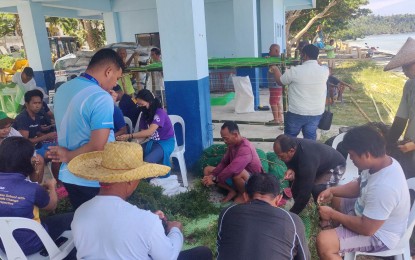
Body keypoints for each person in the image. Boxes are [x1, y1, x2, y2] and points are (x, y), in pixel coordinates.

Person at [69, 141, 212, 259]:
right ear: (130, 181)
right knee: (202, 253)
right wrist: (175, 230)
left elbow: (115, 229)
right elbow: (168, 257)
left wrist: (151, 221)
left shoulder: (80, 213)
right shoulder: (147, 222)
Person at [316, 124, 410, 259]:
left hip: (380, 235)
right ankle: (339, 234)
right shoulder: (380, 163)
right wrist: (332, 190)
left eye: (352, 155)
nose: (351, 159)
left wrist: (332, 214)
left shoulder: (384, 187)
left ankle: (336, 241)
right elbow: (360, 184)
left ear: (367, 154)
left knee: (324, 242)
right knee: (336, 196)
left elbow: (367, 229)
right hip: (366, 213)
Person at [48, 48, 124, 210]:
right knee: (102, 227)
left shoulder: (62, 90)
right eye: (117, 78)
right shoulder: (100, 97)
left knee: (84, 222)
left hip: (69, 175)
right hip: (94, 177)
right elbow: (98, 146)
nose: (116, 84)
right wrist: (68, 155)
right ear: (108, 71)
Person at [0, 137, 74, 256]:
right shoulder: (32, 189)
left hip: (4, 244)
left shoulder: (32, 189)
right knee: (75, 217)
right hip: (31, 244)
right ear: (26, 161)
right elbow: (51, 207)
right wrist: (52, 187)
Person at [217, 173, 310, 259]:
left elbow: (221, 246)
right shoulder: (293, 221)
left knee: (204, 252)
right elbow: (304, 258)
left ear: (245, 197)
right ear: (279, 199)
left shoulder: (227, 212)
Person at [274, 134, 346, 214]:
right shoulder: (290, 144)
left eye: (281, 156)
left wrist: (292, 214)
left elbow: (305, 192)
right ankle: (299, 205)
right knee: (296, 183)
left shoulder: (307, 160)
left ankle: (323, 214)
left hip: (335, 166)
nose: (279, 159)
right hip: (318, 164)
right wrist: (291, 169)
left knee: (316, 189)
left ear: (291, 151)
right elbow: (292, 162)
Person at [270, 44, 329, 140]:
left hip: (297, 112)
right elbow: (323, 66)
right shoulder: (324, 71)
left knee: (289, 140)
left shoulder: (295, 71)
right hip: (316, 112)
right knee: (310, 140)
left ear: (304, 55)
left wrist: (276, 69)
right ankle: (309, 154)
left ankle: (291, 154)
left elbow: (280, 81)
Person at [202, 121, 263, 203]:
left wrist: (215, 179)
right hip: (237, 176)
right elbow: (224, 163)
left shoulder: (246, 148)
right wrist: (213, 175)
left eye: (226, 138)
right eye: (223, 138)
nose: (224, 141)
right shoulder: (232, 145)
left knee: (238, 174)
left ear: (235, 135)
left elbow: (233, 169)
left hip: (253, 180)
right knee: (208, 170)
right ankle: (232, 191)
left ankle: (246, 195)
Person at [117, 89, 174, 173]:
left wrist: (130, 136)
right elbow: (143, 135)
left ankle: (152, 181)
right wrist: (133, 144)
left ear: (149, 102)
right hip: (153, 142)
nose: (140, 106)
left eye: (142, 104)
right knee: (132, 155)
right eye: (138, 104)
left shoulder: (159, 113)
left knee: (147, 161)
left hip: (166, 142)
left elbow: (149, 132)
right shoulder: (144, 114)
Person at [385, 37, 415, 179]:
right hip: (408, 145)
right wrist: (389, 144)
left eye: (406, 66)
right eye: (402, 67)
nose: (403, 71)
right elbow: (400, 119)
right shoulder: (409, 85)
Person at [0, 111, 45, 182]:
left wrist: (33, 158)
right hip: (5, 165)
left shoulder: (12, 131)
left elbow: (24, 144)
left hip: (16, 161)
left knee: (38, 160)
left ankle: (36, 187)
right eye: (2, 128)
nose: (6, 130)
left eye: (8, 126)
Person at [13, 89, 57, 159]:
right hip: (24, 150)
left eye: (39, 103)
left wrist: (52, 136)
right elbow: (24, 141)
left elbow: (37, 132)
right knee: (55, 156)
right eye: (34, 103)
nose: (37, 106)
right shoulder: (22, 118)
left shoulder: (37, 115)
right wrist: (46, 136)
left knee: (60, 148)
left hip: (36, 145)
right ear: (27, 104)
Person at [267, 44, 283, 125]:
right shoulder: (277, 59)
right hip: (276, 85)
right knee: (277, 102)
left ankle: (276, 119)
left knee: (273, 102)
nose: (269, 52)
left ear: (276, 50)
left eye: (270, 50)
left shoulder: (277, 60)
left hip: (275, 85)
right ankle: (279, 118)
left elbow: (272, 67)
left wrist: (268, 60)